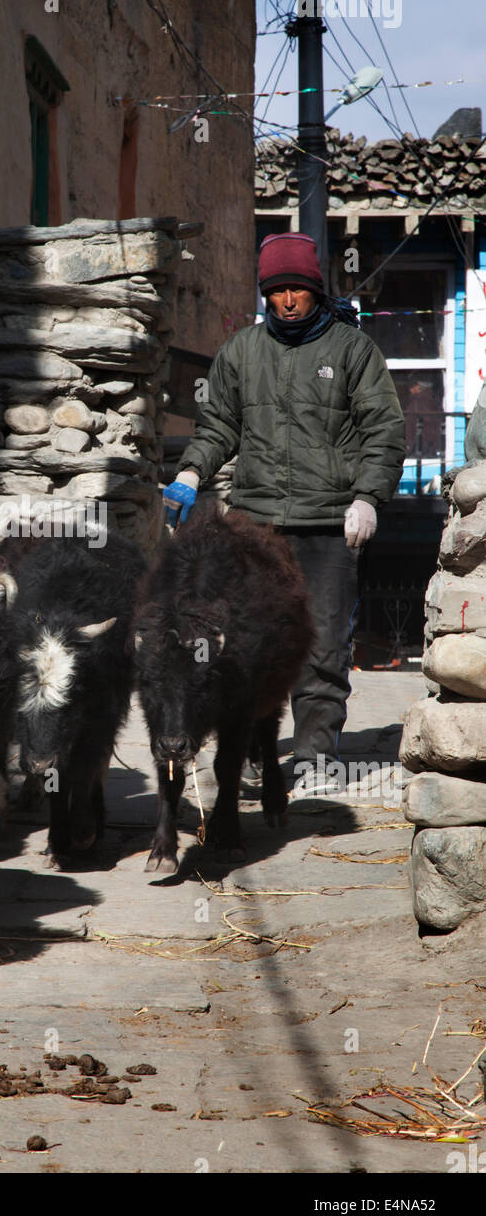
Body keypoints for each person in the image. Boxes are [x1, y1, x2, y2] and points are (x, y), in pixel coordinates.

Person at [163, 232, 406, 797]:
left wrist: (368, 497)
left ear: (315, 291)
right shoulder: (241, 352)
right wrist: (191, 472)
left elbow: (384, 432)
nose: (289, 300)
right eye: (277, 290)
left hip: (329, 525)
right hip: (257, 526)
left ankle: (315, 755)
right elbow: (218, 425)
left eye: (297, 288)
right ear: (265, 295)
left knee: (321, 646)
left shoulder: (353, 351)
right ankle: (249, 753)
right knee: (248, 644)